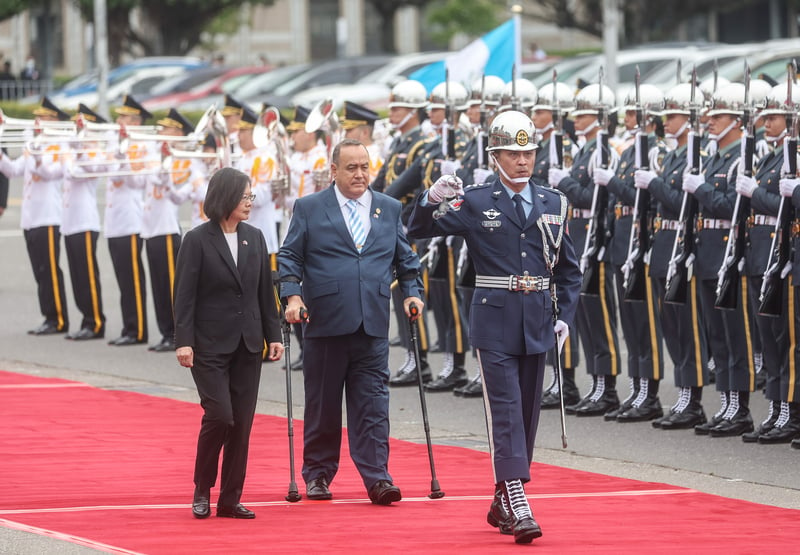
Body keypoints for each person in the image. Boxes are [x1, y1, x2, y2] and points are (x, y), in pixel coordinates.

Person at [408, 110, 581, 543]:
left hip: (538, 316)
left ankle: (502, 497)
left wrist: (565, 317)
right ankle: (519, 499)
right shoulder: (479, 200)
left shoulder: (554, 202)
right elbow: (417, 230)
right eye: (512, 152)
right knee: (504, 408)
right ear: (495, 155)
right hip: (494, 316)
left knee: (525, 412)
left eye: (528, 152)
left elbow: (570, 271)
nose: (522, 161)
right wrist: (431, 198)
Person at [278, 138, 423, 506]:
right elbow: (290, 256)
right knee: (323, 405)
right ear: (334, 171)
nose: (360, 175)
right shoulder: (310, 207)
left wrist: (411, 291)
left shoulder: (388, 208)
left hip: (372, 323)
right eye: (351, 168)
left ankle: (378, 478)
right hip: (325, 321)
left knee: (373, 404)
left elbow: (405, 259)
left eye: (364, 167)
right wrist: (292, 296)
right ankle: (318, 474)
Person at [174, 167, 284, 520]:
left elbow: (264, 292)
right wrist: (183, 341)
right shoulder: (196, 239)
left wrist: (275, 335)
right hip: (208, 344)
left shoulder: (255, 237)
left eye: (251, 196)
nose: (250, 202)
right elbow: (184, 295)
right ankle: (202, 488)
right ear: (225, 197)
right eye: (244, 196)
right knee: (220, 416)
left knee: (242, 423)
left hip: (248, 344)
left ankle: (230, 497)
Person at [0, 96, 71, 335]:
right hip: (31, 217)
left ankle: (59, 318)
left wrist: (36, 151)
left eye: (42, 117)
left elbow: (50, 173)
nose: (37, 121)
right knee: (39, 270)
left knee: (50, 269)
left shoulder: (60, 145)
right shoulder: (34, 144)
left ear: (54, 120)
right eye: (37, 117)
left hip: (49, 217)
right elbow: (12, 170)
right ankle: (48, 316)